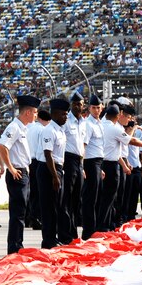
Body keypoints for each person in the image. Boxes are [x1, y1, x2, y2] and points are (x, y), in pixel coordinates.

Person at [0, 95, 40, 253]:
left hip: (23, 172)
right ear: (27, 112)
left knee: (21, 212)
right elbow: (2, 147)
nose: (36, 115)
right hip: (17, 173)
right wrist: (11, 167)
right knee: (18, 213)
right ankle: (14, 247)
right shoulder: (14, 127)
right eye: (34, 112)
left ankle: (17, 244)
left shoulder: (22, 128)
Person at [37, 98, 70, 248]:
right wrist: (55, 177)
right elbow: (48, 154)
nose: (66, 117)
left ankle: (53, 237)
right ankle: (48, 240)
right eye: (63, 114)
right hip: (48, 170)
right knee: (48, 207)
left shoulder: (59, 130)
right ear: (55, 114)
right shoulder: (49, 130)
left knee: (56, 206)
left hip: (56, 169)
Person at [60, 91, 86, 242]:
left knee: (77, 199)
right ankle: (65, 233)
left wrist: (82, 165)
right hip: (68, 160)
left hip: (79, 161)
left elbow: (82, 145)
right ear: (71, 105)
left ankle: (73, 232)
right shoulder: (66, 121)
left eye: (80, 104)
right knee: (67, 199)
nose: (77, 106)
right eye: (75, 104)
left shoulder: (83, 122)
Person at [81, 94, 105, 239]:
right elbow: (83, 146)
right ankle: (88, 232)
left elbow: (99, 146)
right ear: (89, 108)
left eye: (98, 107)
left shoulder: (99, 123)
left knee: (97, 197)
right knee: (90, 198)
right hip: (89, 162)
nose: (97, 110)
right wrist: (82, 166)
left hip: (98, 162)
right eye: (94, 108)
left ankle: (94, 228)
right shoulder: (88, 124)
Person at [26, 108, 50, 229]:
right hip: (38, 161)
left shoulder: (30, 128)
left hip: (29, 160)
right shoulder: (43, 130)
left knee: (31, 191)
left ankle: (28, 218)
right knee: (39, 192)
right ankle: (36, 218)